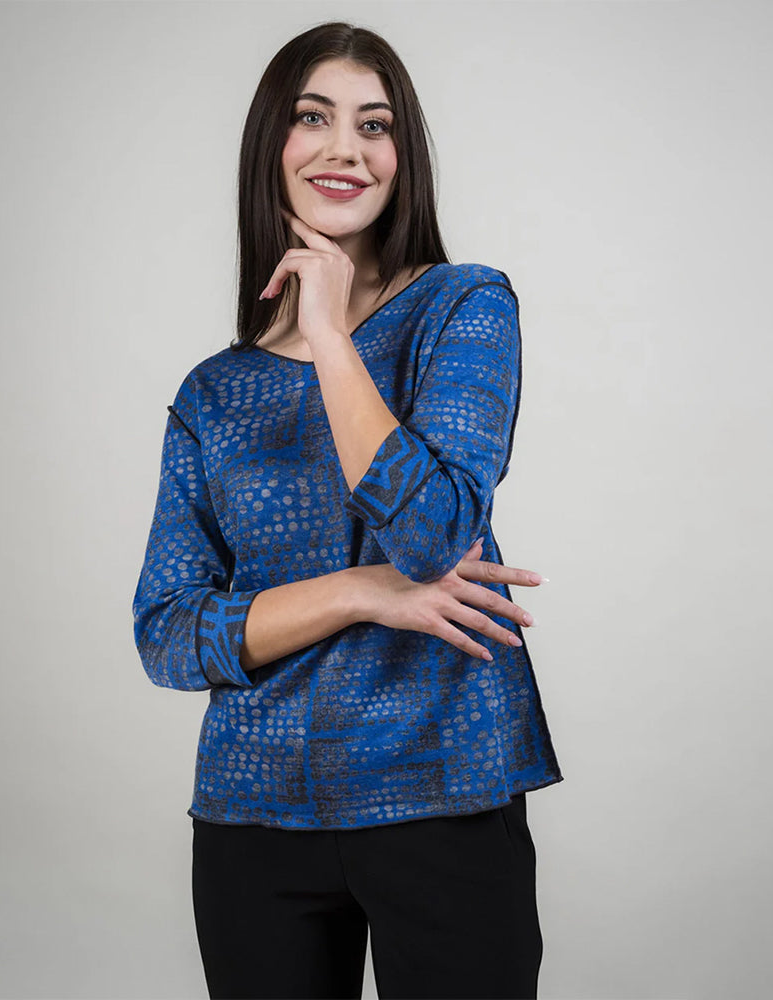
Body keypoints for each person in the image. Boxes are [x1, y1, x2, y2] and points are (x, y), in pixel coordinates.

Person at [132, 21, 563, 1000]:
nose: (344, 148)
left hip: (442, 791)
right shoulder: (213, 394)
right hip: (252, 817)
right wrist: (361, 591)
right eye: (312, 118)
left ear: (401, 157)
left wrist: (328, 334)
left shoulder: (463, 308)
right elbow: (165, 632)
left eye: (375, 125)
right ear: (269, 149)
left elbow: (432, 532)